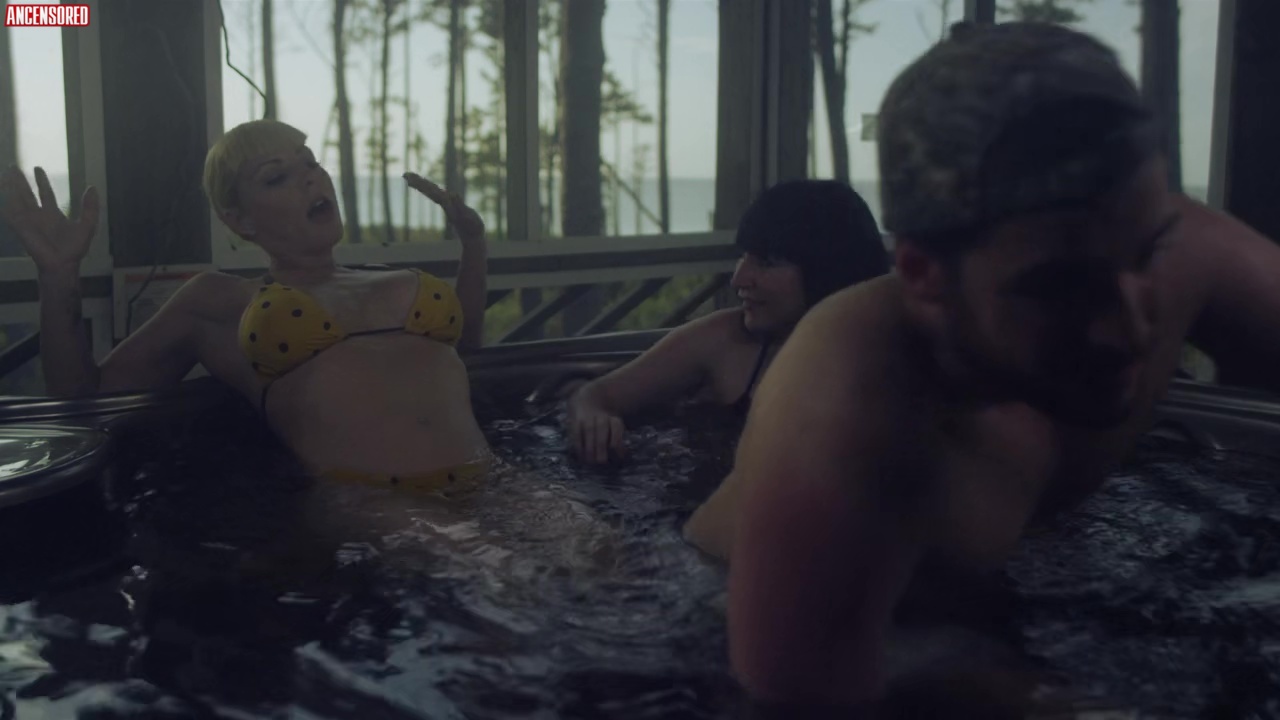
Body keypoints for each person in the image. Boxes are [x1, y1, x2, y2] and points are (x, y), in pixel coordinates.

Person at [723, 22, 1280, 718]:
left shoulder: (1190, 252)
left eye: (1146, 256)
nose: (1131, 331)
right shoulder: (845, 402)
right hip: (715, 602)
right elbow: (800, 686)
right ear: (924, 274)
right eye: (1061, 287)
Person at [0, 119, 492, 493]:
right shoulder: (218, 299)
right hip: (377, 506)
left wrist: (474, 244)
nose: (310, 179)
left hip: (493, 485)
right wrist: (58, 275)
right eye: (277, 177)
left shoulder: (393, 279)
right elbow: (84, 400)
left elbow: (464, 352)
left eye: (310, 162)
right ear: (239, 221)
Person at [565, 179, 889, 467]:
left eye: (766, 263)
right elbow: (595, 395)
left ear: (828, 270)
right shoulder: (726, 340)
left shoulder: (884, 368)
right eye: (743, 257)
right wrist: (592, 418)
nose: (739, 279)